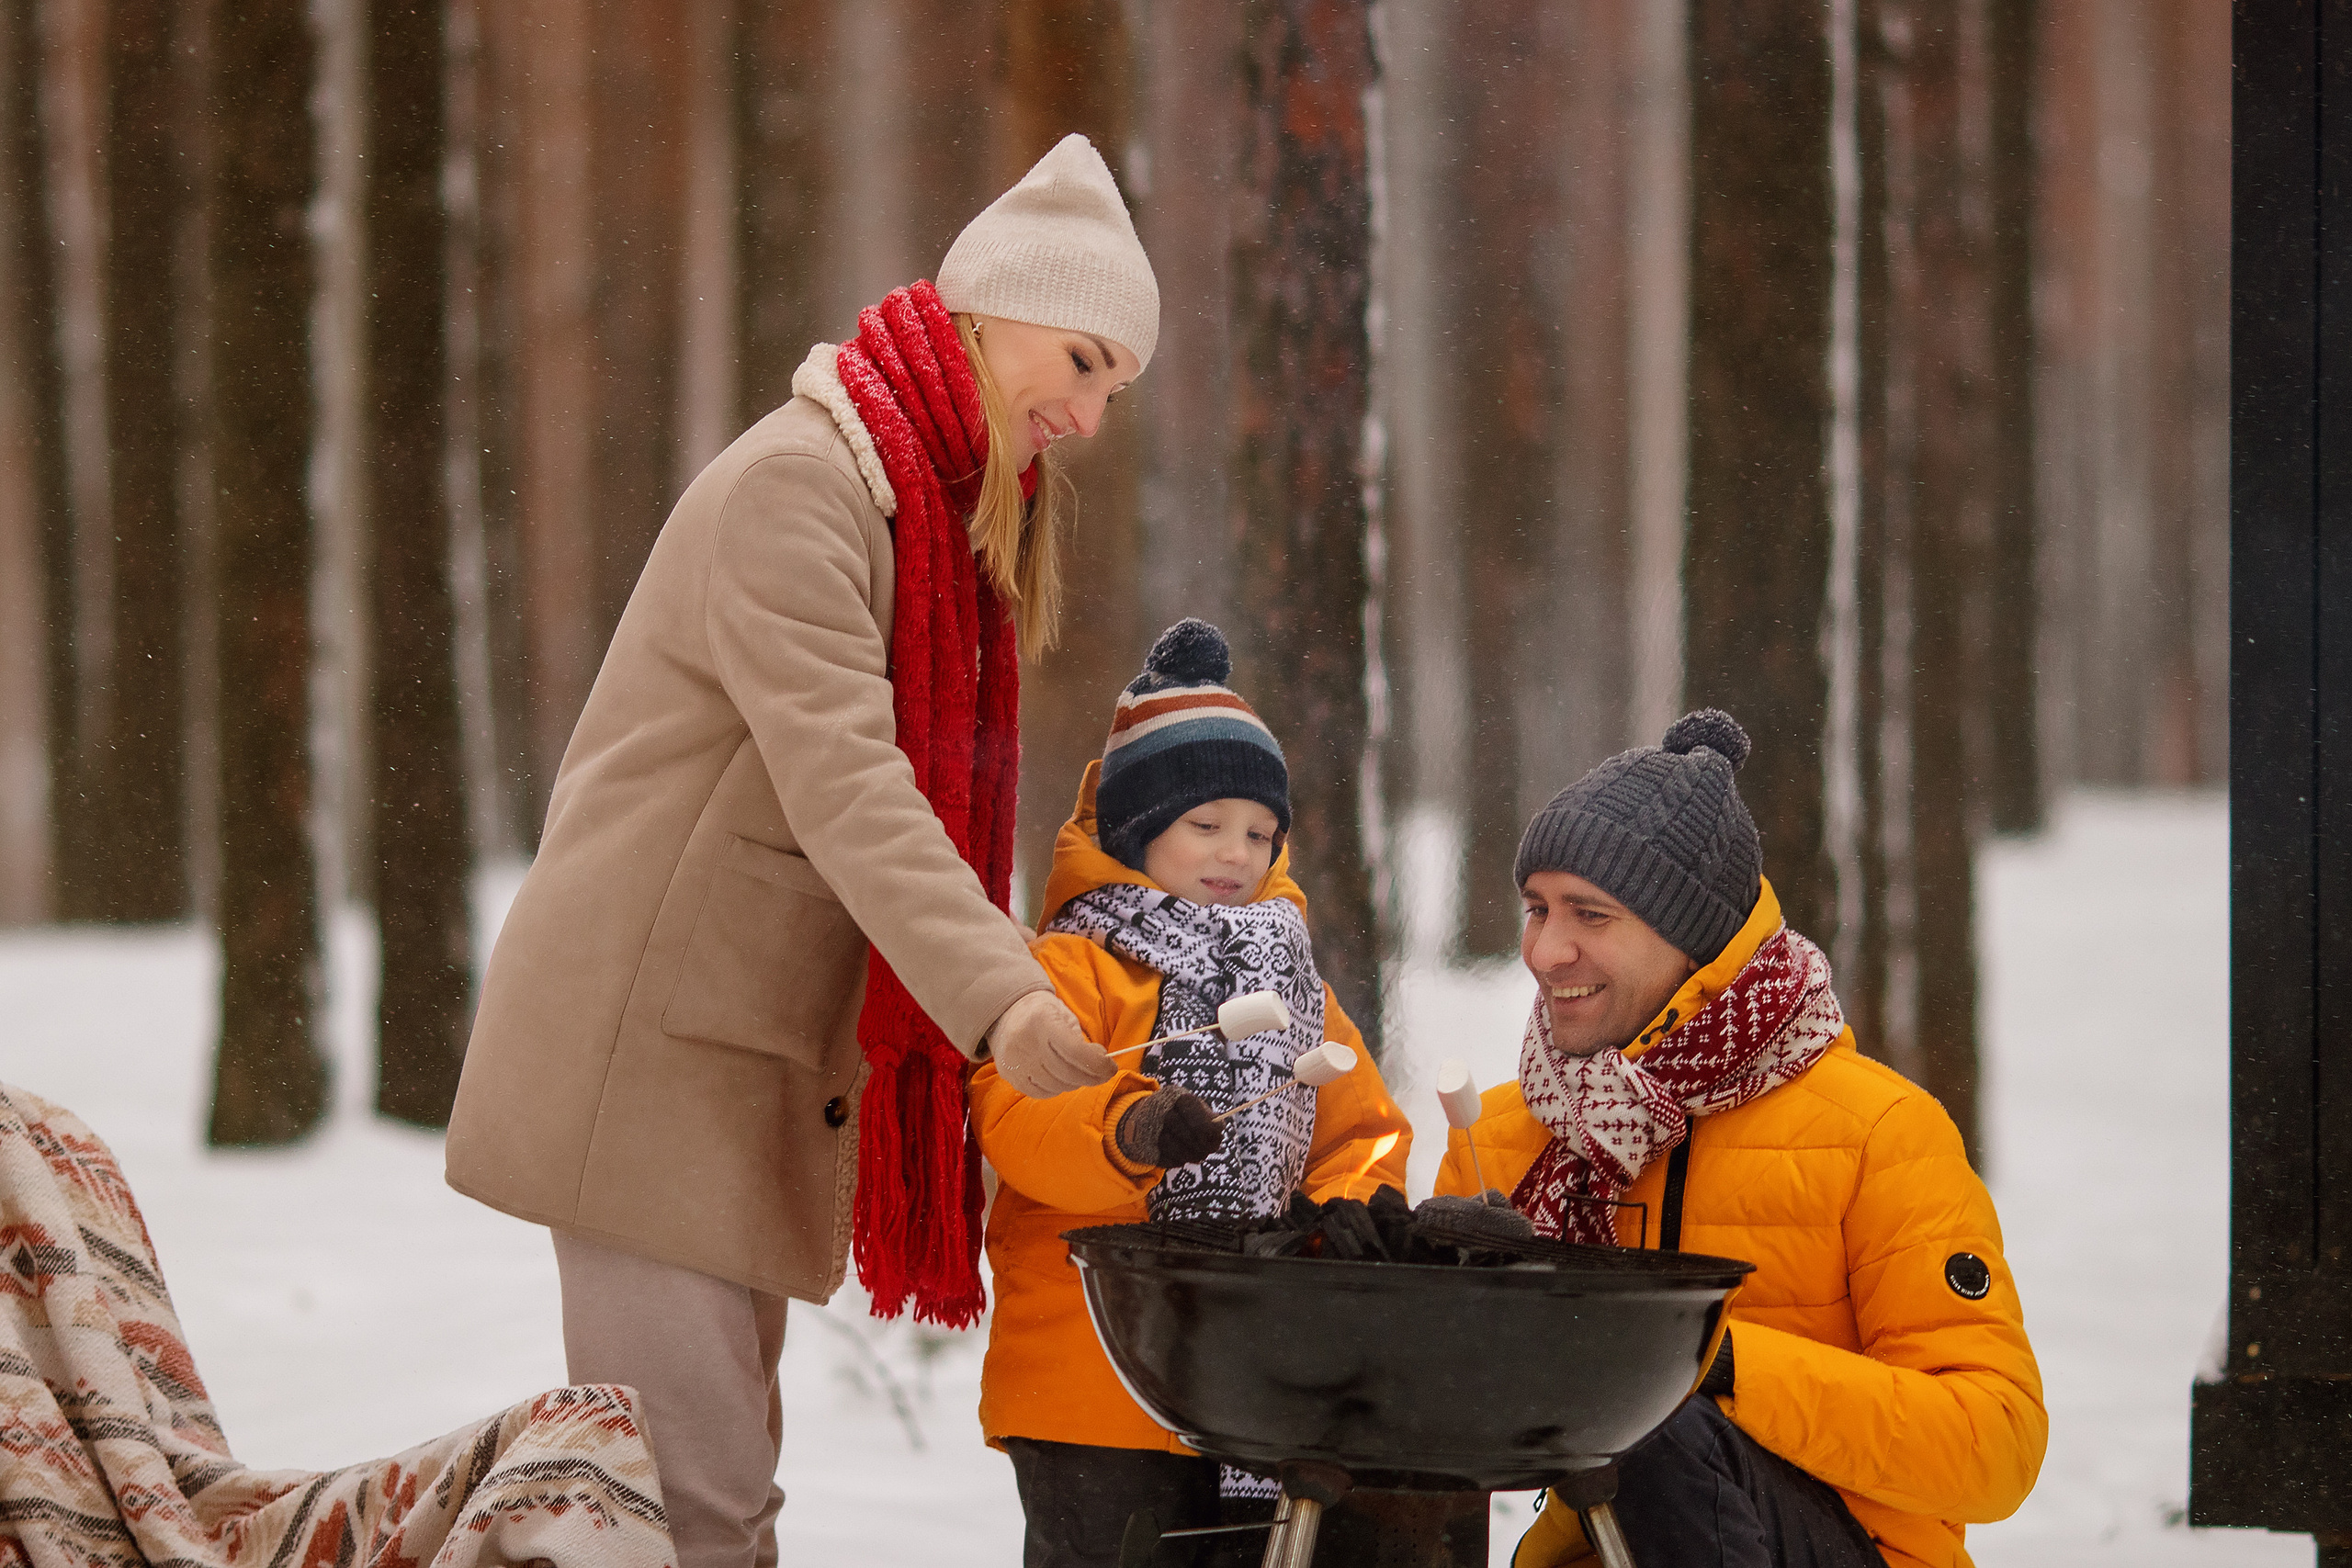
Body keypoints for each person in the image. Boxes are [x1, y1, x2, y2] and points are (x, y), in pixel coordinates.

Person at [442, 134, 1154, 1568]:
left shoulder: (917, 503)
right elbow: (851, 782)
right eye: (1080, 361)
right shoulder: (803, 489)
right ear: (990, 312)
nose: (1085, 414)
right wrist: (1000, 995)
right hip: (644, 1057)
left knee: (712, 1497)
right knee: (690, 1510)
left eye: (1111, 387)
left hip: (731, 1048)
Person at [1437, 710, 2045, 1568]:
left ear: (1695, 938)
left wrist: (1713, 1359)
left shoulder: (1876, 1132)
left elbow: (1996, 1443)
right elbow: (1439, 1438)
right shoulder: (1504, 1137)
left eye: (1590, 914)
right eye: (1537, 909)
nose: (1545, 950)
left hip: (1850, 1550)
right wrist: (1432, 1310)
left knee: (1655, 1410)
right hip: (1605, 1549)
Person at [969, 619, 1411, 1568]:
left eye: (1259, 833)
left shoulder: (1294, 987)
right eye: (1205, 825)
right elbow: (1017, 1113)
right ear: (1137, 831)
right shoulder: (1073, 966)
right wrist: (1128, 1129)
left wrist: (1346, 1209)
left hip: (1251, 1380)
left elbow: (1362, 1129)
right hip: (1092, 1379)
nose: (1236, 854)